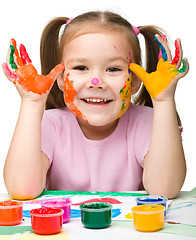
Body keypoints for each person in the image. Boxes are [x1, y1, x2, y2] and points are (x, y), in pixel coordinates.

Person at [2, 11, 189, 200]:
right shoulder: (48, 124)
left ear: (134, 82)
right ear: (59, 78)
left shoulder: (149, 122)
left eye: (113, 69)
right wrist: (32, 103)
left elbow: (164, 190)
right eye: (81, 68)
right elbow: (22, 189)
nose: (96, 81)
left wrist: (164, 101)